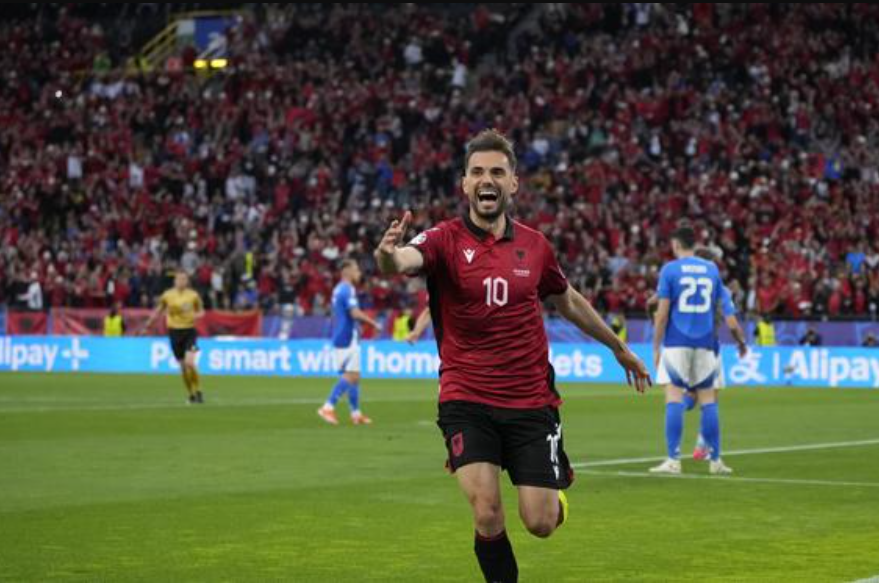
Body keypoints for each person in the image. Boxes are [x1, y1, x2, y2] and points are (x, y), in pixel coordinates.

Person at [374, 129, 650, 583]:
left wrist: (618, 348)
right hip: (466, 397)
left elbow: (568, 300)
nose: (488, 179)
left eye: (497, 172)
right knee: (487, 511)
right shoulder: (443, 239)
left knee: (540, 522)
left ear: (514, 183)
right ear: (465, 183)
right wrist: (386, 255)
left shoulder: (536, 246)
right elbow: (403, 260)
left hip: (530, 400)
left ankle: (553, 498)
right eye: (478, 172)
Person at [649, 227, 747, 476]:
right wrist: (741, 343)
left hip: (676, 341)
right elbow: (728, 315)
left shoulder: (670, 269)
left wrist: (656, 346)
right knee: (709, 400)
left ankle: (673, 460)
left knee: (674, 397)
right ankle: (716, 461)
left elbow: (661, 313)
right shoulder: (712, 270)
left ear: (675, 244)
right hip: (706, 343)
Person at [317, 259, 380, 426]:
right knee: (352, 375)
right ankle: (328, 407)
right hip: (347, 336)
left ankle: (356, 414)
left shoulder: (338, 289)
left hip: (340, 334)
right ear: (347, 271)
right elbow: (354, 313)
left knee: (354, 376)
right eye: (356, 269)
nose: (359, 273)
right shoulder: (347, 289)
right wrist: (373, 323)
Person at [140, 271, 205, 404]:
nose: (182, 281)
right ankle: (191, 394)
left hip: (189, 331)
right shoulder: (167, 295)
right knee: (183, 367)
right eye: (179, 279)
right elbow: (159, 309)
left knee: (190, 363)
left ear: (187, 281)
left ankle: (199, 391)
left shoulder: (193, 295)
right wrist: (148, 324)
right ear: (175, 281)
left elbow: (201, 311)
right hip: (174, 333)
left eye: (184, 279)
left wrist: (195, 316)